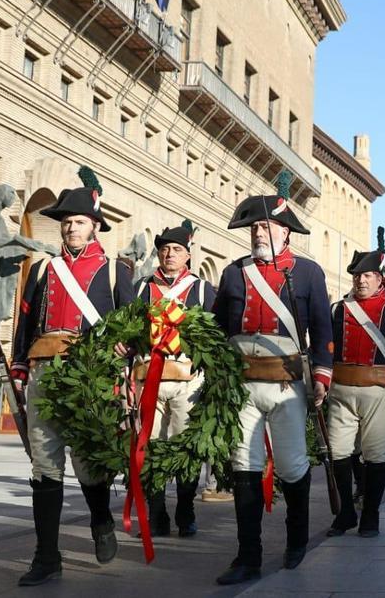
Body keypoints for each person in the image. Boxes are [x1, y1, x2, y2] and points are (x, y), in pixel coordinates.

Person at [9, 167, 134, 586]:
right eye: (65, 223)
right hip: (44, 370)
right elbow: (26, 323)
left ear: (95, 225)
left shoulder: (117, 271)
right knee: (44, 465)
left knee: (87, 464)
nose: (70, 229)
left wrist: (127, 346)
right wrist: (20, 367)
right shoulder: (45, 269)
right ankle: (47, 556)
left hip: (90, 375)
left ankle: (101, 520)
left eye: (78, 222)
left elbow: (135, 325)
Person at [211, 193, 333, 585]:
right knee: (242, 466)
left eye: (264, 227)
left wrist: (322, 375)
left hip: (286, 382)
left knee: (293, 464)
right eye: (254, 228)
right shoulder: (233, 273)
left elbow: (321, 328)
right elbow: (218, 328)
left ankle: (296, 543)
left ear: (285, 231)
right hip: (241, 383)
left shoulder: (309, 272)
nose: (257, 233)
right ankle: (248, 556)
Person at [326, 228, 385, 538]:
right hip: (341, 389)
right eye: (357, 276)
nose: (361, 280)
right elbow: (327, 349)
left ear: (379, 279)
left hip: (380, 388)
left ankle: (371, 514)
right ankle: (347, 513)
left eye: (367, 275)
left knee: (376, 454)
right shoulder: (339, 309)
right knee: (338, 451)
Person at [133, 220, 216, 539]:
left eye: (177, 249)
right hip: (147, 378)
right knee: (150, 448)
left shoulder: (202, 289)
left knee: (185, 448)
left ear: (188, 255)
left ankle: (185, 509)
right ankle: (156, 514)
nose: (169, 254)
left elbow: (214, 337)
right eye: (165, 249)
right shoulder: (142, 288)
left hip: (188, 380)